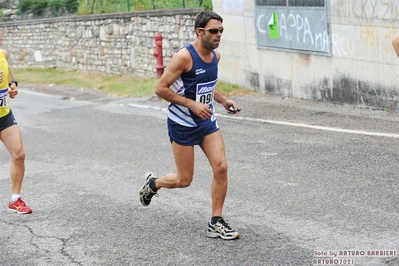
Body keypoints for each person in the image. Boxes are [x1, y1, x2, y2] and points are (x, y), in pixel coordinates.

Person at [140, 11, 240, 240]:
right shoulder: (183, 57)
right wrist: (191, 105)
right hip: (182, 123)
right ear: (200, 32)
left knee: (221, 167)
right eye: (213, 31)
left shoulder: (216, 57)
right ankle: (153, 184)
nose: (218, 35)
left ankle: (216, 222)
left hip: (206, 121)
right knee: (184, 180)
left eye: (221, 31)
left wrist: (224, 100)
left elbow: (206, 85)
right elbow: (161, 89)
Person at [0, 30, 32, 214]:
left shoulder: (2, 54)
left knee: (19, 155)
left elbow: (8, 72)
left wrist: (13, 86)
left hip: (3, 116)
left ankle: (15, 200)